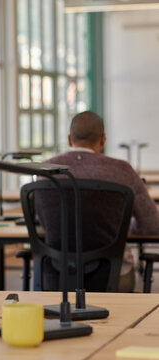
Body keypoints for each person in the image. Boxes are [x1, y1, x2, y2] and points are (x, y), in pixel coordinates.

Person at [45, 110, 159, 292]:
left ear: (69, 140)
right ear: (103, 140)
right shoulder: (122, 171)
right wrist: (122, 227)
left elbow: (44, 224)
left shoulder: (47, 170)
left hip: (57, 274)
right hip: (113, 276)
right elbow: (152, 225)